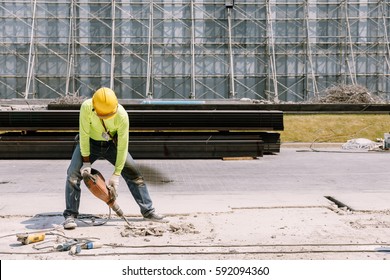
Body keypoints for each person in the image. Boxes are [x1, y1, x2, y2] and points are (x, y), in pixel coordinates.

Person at [63, 87, 164, 229]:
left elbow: (123, 146)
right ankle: (70, 215)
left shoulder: (122, 115)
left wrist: (116, 174)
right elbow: (84, 135)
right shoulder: (86, 107)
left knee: (135, 175)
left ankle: (148, 211)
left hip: (112, 145)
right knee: (73, 174)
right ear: (94, 108)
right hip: (89, 143)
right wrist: (86, 162)